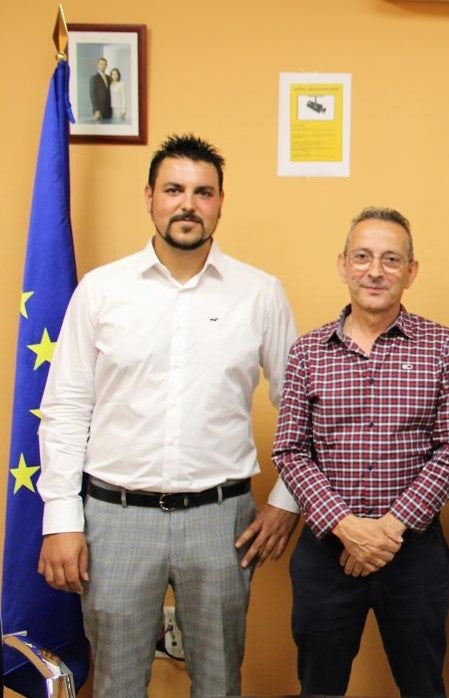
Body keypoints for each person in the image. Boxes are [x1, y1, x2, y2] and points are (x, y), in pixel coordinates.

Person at [37, 133, 301, 697]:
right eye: (174, 189)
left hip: (221, 521)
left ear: (221, 202)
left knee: (217, 683)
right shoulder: (101, 291)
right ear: (150, 198)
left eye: (203, 192)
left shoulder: (261, 294)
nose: (188, 204)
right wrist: (62, 516)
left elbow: (300, 407)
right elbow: (65, 407)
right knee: (116, 684)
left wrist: (286, 502)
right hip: (115, 518)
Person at [272, 206, 449, 697]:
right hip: (327, 553)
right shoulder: (307, 352)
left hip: (414, 553)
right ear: (343, 264)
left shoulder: (442, 347)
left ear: (411, 271)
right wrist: (346, 528)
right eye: (362, 257)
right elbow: (291, 451)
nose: (375, 271)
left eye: (390, 259)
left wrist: (386, 530)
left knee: (424, 684)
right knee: (319, 686)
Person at [89, 57, 111, 121]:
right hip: (99, 111)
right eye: (101, 64)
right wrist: (96, 110)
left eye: (104, 64)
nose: (103, 66)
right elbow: (93, 95)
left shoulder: (109, 78)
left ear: (106, 65)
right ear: (98, 65)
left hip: (109, 110)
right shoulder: (93, 78)